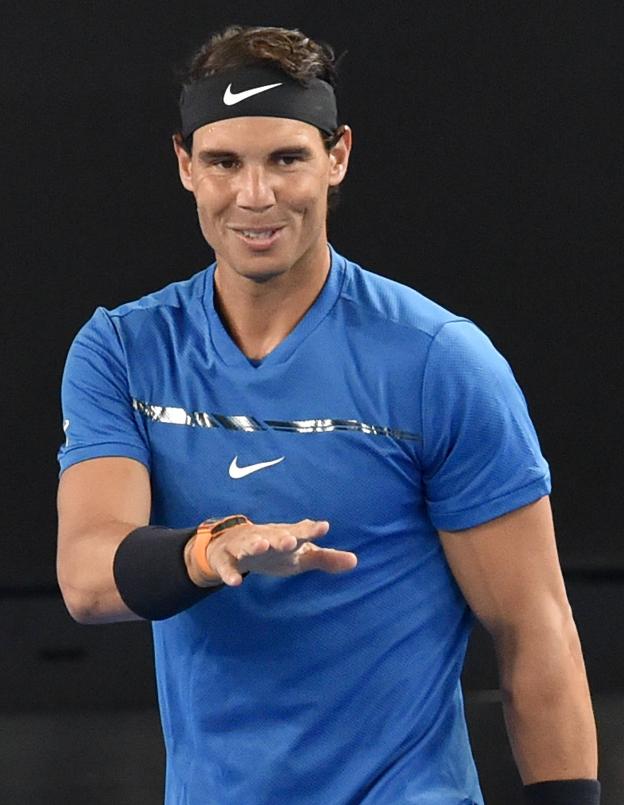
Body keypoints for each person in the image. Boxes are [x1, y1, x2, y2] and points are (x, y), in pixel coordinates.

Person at [56, 24, 600, 805]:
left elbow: (534, 625)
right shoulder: (122, 349)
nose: (255, 195)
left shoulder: (438, 359)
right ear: (185, 165)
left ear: (336, 156)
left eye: (286, 158)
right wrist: (215, 550)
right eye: (224, 162)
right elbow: (87, 575)